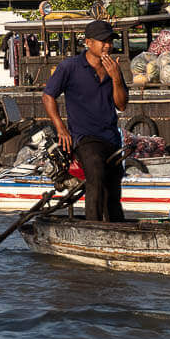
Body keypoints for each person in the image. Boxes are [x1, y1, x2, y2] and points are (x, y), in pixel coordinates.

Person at [41, 19, 128, 221]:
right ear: (88, 42)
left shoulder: (114, 68)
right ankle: (93, 226)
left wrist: (115, 78)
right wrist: (61, 128)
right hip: (84, 137)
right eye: (102, 41)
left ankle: (116, 229)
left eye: (110, 41)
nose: (107, 45)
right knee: (96, 175)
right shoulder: (70, 67)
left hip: (111, 138)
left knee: (113, 189)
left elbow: (121, 105)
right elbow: (48, 96)